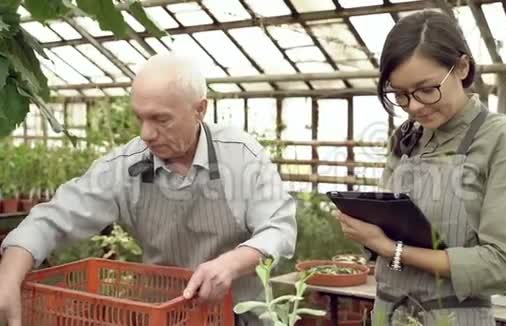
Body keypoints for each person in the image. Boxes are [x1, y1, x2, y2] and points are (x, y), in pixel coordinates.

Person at [0, 52, 297, 326]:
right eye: (139, 117)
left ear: (199, 110)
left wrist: (231, 264)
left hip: (241, 315)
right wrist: (8, 277)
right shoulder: (125, 167)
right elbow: (52, 218)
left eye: (160, 119)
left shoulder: (240, 155)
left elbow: (279, 228)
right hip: (165, 316)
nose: (146, 134)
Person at [337, 10, 506, 326]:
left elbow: (502, 266)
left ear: (462, 67)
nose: (414, 107)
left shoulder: (500, 138)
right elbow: (387, 227)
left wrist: (391, 248)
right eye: (401, 95)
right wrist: (364, 229)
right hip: (387, 314)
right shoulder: (405, 137)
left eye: (427, 89)